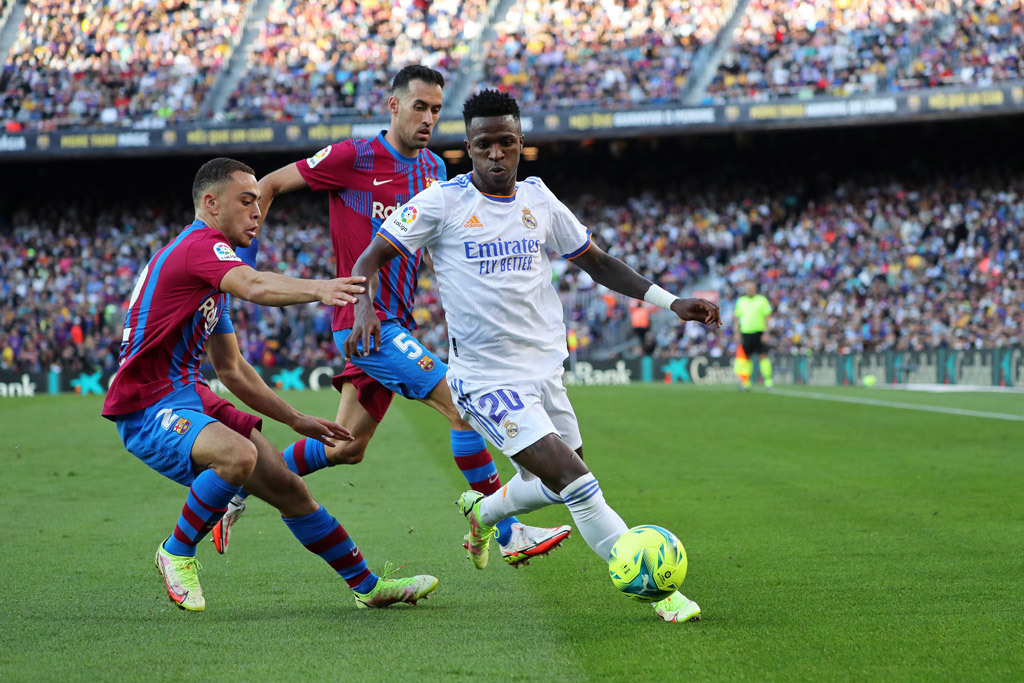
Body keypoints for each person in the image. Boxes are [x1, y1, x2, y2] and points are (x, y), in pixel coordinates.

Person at [345, 90, 721, 623]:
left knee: (558, 478)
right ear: (467, 148)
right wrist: (365, 309)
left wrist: (671, 301)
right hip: (484, 380)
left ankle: (485, 513)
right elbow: (369, 256)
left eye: (505, 143)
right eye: (482, 145)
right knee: (577, 483)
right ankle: (658, 590)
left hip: (545, 371)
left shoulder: (539, 200)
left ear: (521, 144)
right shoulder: (441, 202)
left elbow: (597, 263)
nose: (495, 155)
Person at [218, 65, 570, 566]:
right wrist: (240, 264)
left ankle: (243, 480)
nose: (428, 118)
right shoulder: (351, 156)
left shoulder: (433, 171)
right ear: (394, 106)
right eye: (419, 106)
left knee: (345, 447)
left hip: (396, 324)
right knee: (464, 405)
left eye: (436, 110)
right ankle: (507, 529)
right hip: (364, 324)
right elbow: (269, 183)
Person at [102, 158, 438, 612]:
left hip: (188, 393)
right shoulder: (201, 247)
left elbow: (232, 369)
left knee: (289, 488)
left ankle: (368, 587)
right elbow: (256, 285)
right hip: (147, 402)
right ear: (210, 203)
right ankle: (175, 551)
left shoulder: (209, 276)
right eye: (246, 202)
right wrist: (322, 289)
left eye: (260, 202)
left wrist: (297, 419)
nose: (257, 212)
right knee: (237, 457)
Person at [733, 280, 773, 390]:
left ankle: (768, 381)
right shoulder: (741, 301)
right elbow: (736, 319)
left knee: (763, 356)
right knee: (746, 358)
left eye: (751, 288)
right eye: (747, 288)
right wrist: (737, 333)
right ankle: (746, 383)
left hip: (759, 332)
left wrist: (767, 333)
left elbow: (768, 318)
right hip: (745, 333)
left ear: (755, 289)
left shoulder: (762, 300)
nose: (749, 290)